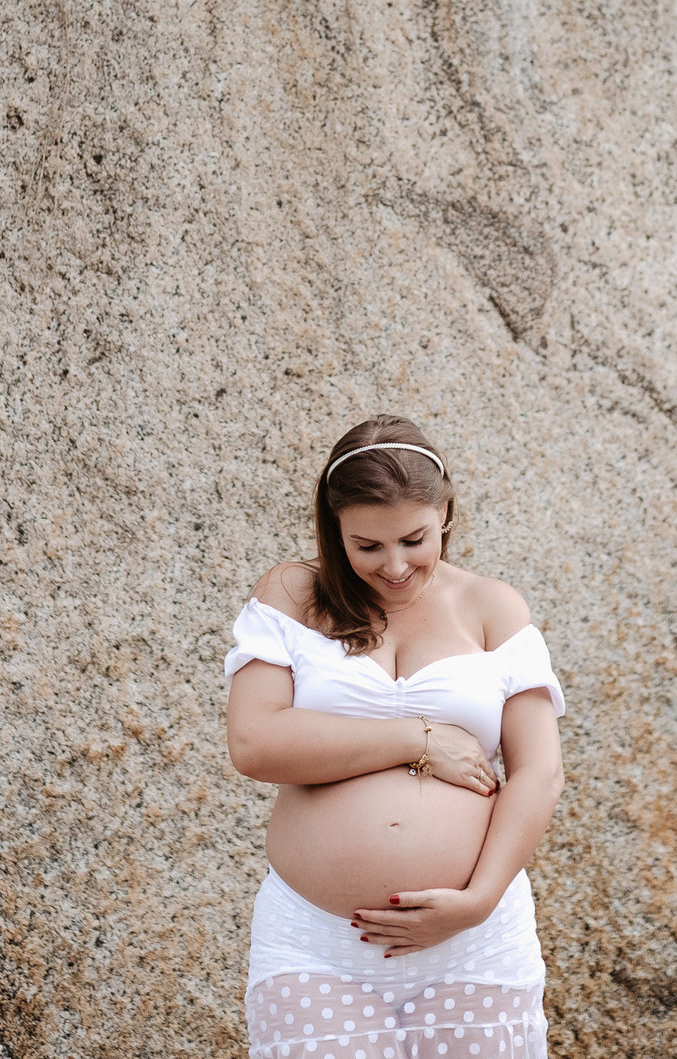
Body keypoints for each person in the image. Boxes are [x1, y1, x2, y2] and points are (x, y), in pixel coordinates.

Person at [225, 414, 566, 1059]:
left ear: (446, 513)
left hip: (476, 939)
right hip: (318, 942)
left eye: (413, 539)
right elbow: (254, 743)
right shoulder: (293, 596)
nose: (396, 566)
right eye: (368, 546)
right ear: (336, 532)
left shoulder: (495, 608)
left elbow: (539, 772)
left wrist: (478, 900)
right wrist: (415, 738)